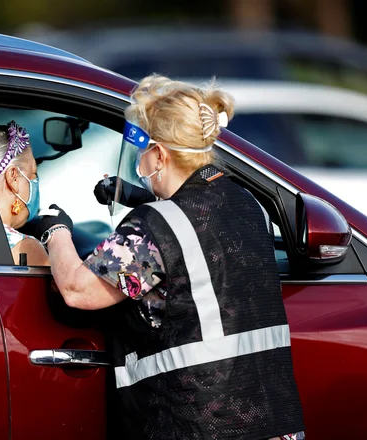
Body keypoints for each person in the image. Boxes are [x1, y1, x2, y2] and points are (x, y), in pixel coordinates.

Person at [32, 75, 305, 440]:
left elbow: (78, 290)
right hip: (273, 423)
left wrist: (56, 230)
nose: (140, 161)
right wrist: (141, 199)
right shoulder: (245, 203)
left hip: (199, 425)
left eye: (142, 151)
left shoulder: (154, 229)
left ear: (160, 154)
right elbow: (200, 227)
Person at [0, 120, 49, 266]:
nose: (35, 181)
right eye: (33, 173)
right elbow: (75, 288)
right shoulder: (25, 248)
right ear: (13, 178)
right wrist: (58, 233)